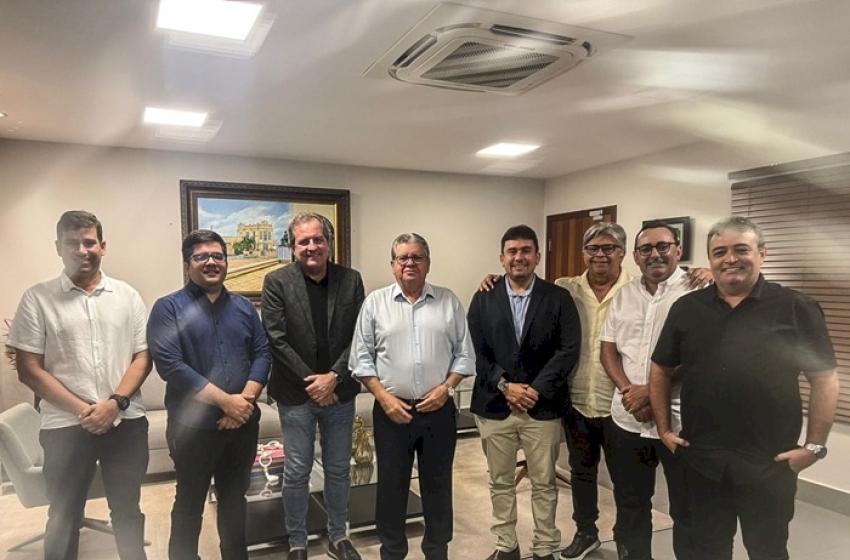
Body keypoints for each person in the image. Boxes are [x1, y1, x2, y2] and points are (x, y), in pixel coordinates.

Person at [649, 216, 840, 560]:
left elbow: (824, 378)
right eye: (719, 252)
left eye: (741, 249)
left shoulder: (796, 307)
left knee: (767, 550)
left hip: (770, 462)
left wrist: (814, 447)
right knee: (707, 550)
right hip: (702, 459)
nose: (730, 259)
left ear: (762, 253)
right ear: (710, 259)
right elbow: (660, 368)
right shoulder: (687, 308)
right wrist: (663, 429)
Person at [8, 210, 151, 560]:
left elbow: (142, 357)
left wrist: (114, 404)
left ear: (103, 246)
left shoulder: (127, 296)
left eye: (89, 242)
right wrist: (85, 411)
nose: (82, 250)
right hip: (65, 427)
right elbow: (29, 369)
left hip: (125, 423)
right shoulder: (37, 298)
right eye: (72, 243)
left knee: (128, 511)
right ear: (58, 247)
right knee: (63, 516)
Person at [350, 233, 475, 560]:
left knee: (438, 486)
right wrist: (383, 398)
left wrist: (447, 389)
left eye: (417, 257)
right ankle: (392, 552)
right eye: (403, 258)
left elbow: (465, 355)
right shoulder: (375, 303)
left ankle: (437, 551)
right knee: (391, 488)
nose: (410, 263)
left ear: (428, 263)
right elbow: (360, 359)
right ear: (392, 265)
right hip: (392, 411)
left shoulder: (448, 301)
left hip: (439, 410)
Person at [147, 229, 271, 560]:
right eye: (201, 257)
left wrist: (243, 402)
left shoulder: (244, 307)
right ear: (187, 264)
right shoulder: (168, 308)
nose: (211, 262)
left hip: (242, 426)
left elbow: (262, 353)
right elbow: (171, 366)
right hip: (192, 429)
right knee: (190, 503)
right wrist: (227, 402)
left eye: (218, 256)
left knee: (234, 501)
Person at [468, 225, 581, 560]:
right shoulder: (484, 297)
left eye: (526, 250)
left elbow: (568, 349)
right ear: (501, 258)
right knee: (500, 482)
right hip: (495, 405)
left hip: (542, 407)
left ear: (537, 256)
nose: (519, 257)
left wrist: (535, 390)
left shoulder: (558, 298)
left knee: (544, 484)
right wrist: (506, 385)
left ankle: (544, 548)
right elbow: (476, 351)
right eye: (512, 251)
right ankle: (507, 546)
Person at [261, 212, 365, 560]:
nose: (311, 247)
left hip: (340, 392)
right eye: (303, 241)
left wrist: (334, 377)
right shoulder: (276, 282)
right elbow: (276, 339)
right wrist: (315, 383)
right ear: (293, 247)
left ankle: (338, 537)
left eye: (318, 239)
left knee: (338, 469)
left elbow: (360, 336)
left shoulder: (351, 280)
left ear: (329, 243)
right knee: (296, 471)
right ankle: (298, 542)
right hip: (295, 395)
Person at [599, 221, 695, 560]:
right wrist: (629, 391)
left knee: (687, 509)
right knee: (630, 504)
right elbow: (608, 349)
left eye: (662, 246)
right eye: (646, 249)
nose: (655, 254)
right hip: (627, 419)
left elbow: (699, 354)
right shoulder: (624, 295)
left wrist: (652, 393)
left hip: (681, 422)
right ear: (635, 256)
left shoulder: (697, 292)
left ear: (678, 250)